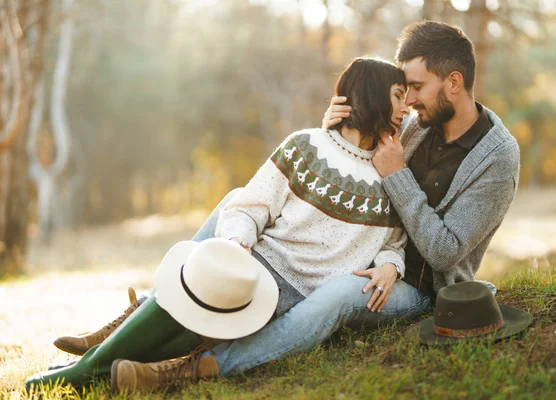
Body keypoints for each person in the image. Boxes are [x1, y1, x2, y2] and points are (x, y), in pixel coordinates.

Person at [44, 20, 519, 392]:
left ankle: (193, 369)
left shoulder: (498, 158)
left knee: (334, 293)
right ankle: (153, 306)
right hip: (369, 245)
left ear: (453, 82)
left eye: (415, 87)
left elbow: (443, 251)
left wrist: (392, 233)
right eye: (403, 91)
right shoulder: (417, 123)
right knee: (240, 202)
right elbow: (357, 171)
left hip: (412, 283)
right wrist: (331, 139)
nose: (409, 101)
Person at [26, 56, 411, 390]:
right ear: (372, 93)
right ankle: (87, 370)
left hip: (297, 296)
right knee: (190, 293)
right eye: (398, 95)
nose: (406, 107)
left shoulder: (391, 170)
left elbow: (394, 242)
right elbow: (249, 206)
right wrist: (237, 240)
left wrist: (392, 266)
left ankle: (92, 369)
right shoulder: (306, 145)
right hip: (254, 266)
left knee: (197, 329)